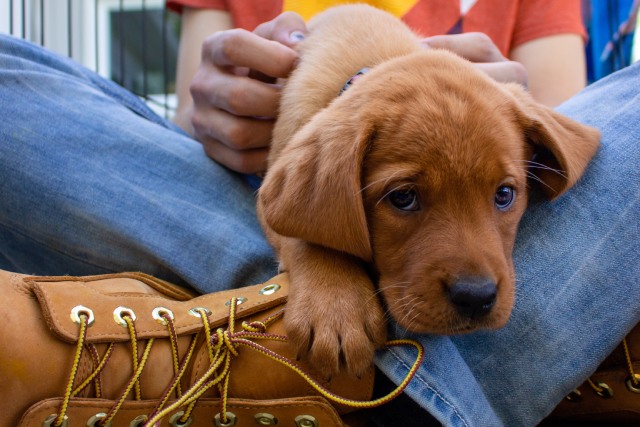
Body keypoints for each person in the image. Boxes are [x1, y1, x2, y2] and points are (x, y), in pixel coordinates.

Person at [0, 5, 638, 427]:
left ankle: (258, 359)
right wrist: (212, 119)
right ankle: (413, 392)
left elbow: (576, 175)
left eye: (502, 196)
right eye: (405, 196)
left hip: (475, 224)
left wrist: (509, 109)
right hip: (230, 193)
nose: (474, 274)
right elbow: (178, 164)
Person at [166, 0, 588, 174]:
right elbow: (183, 129)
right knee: (98, 121)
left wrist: (514, 110)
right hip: (249, 196)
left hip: (488, 242)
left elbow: (573, 144)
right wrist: (211, 117)